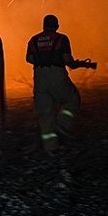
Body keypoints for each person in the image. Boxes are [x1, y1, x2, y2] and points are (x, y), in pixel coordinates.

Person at [25, 14, 90, 155]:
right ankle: (62, 124)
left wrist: (42, 59)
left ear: (43, 26)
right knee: (72, 99)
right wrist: (79, 64)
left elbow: (29, 59)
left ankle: (51, 148)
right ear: (57, 26)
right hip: (57, 74)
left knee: (45, 113)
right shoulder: (61, 39)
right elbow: (67, 59)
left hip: (39, 77)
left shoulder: (33, 40)